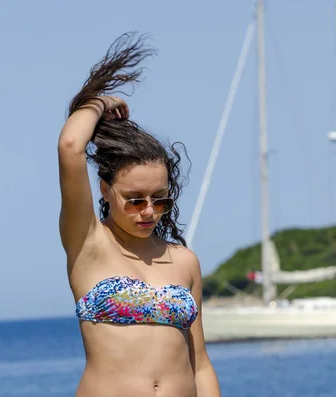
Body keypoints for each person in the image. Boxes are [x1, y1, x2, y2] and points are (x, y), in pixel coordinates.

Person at [57, 33, 221, 397]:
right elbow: (70, 147)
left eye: (159, 199)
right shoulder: (88, 244)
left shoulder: (184, 261)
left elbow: (201, 363)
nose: (149, 211)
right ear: (105, 190)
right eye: (134, 199)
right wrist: (100, 102)